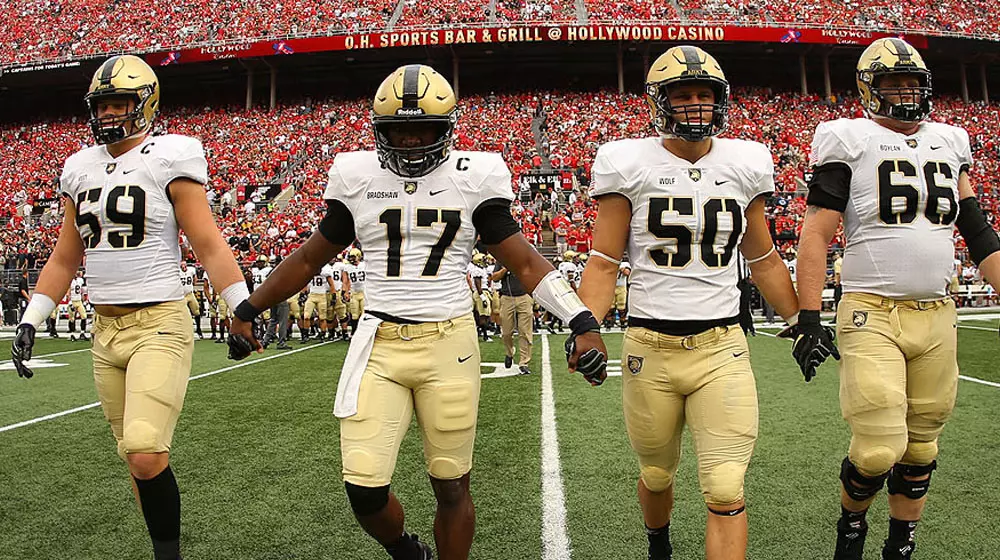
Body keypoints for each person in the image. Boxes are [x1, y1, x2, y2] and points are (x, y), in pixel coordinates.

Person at [225, 64, 607, 560]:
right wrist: (249, 306)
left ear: (445, 129)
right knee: (362, 487)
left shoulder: (473, 179)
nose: (409, 142)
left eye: (421, 129)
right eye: (398, 130)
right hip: (377, 342)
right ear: (379, 131)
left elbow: (527, 261)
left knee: (450, 486)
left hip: (449, 343)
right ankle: (406, 550)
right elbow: (308, 257)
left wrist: (582, 321)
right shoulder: (357, 177)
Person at [9, 55, 250, 560]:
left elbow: (207, 242)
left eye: (119, 103)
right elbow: (64, 256)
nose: (109, 114)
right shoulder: (78, 167)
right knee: (135, 458)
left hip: (158, 321)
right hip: (104, 332)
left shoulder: (169, 156)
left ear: (146, 104)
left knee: (144, 450)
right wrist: (32, 318)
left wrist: (240, 306)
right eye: (102, 104)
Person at [576, 46, 801, 560]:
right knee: (657, 473)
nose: (695, 105)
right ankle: (659, 544)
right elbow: (604, 260)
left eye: (705, 95)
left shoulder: (745, 160)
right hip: (649, 347)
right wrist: (584, 326)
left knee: (725, 486)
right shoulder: (626, 160)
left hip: (723, 345)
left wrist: (800, 319)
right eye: (683, 96)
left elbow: (763, 256)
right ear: (661, 102)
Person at [794, 38, 1000, 560]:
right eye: (894, 83)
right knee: (878, 446)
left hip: (938, 312)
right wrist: (809, 315)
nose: (907, 92)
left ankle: (900, 544)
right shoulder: (849, 138)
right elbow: (817, 233)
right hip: (872, 311)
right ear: (869, 89)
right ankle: (851, 529)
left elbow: (976, 231)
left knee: (922, 444)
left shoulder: (951, 140)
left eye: (913, 82)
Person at [492, 261, 533, 374]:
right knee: (506, 332)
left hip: (524, 296)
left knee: (525, 331)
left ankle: (524, 362)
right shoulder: (502, 259)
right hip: (507, 297)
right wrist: (505, 269)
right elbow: (494, 277)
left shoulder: (525, 258)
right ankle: (509, 352)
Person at [179, 260, 203, 339]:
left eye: (184, 265)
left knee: (196, 311)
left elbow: (195, 279)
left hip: (190, 293)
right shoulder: (178, 272)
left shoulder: (191, 270)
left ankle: (199, 330)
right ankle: (183, 331)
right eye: (182, 266)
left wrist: (194, 284)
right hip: (181, 295)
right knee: (182, 313)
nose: (184, 267)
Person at [67, 269, 90, 341]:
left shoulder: (80, 280)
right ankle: (72, 334)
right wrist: (70, 302)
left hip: (79, 301)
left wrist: (84, 300)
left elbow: (82, 291)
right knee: (72, 319)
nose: (76, 273)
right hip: (73, 301)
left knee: (84, 316)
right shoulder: (70, 281)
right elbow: (68, 293)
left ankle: (82, 333)